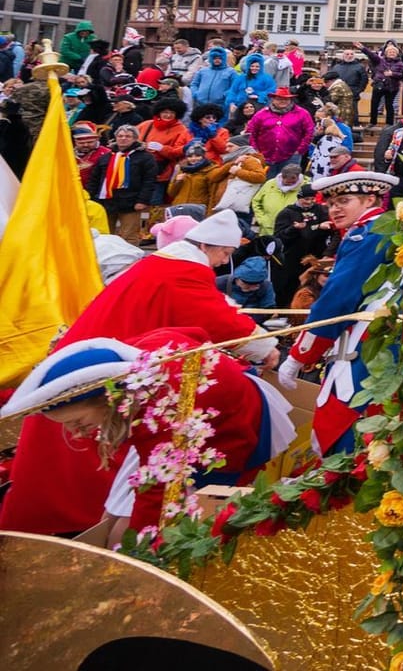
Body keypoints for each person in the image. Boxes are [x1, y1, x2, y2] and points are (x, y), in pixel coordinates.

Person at [0, 209, 279, 535]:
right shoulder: (179, 274)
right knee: (99, 484)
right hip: (112, 379)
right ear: (204, 247)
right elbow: (216, 321)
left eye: (228, 255)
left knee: (124, 495)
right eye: (224, 254)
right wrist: (266, 347)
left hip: (205, 418)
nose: (222, 263)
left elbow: (159, 483)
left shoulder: (151, 399)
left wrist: (139, 554)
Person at [0, 332, 293, 541]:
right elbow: (191, 332)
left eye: (77, 421)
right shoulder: (130, 372)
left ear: (108, 401)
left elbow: (157, 498)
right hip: (175, 425)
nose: (76, 434)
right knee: (114, 515)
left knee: (153, 526)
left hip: (226, 433)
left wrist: (137, 559)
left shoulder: (161, 412)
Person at [279, 170, 401, 454]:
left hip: (364, 346)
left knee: (344, 428)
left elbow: (337, 299)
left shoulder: (367, 235)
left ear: (370, 199)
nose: (335, 209)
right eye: (331, 203)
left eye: (344, 200)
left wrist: (299, 355)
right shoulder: (381, 228)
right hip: (378, 341)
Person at [93, 123, 162, 243]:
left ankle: (131, 260)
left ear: (135, 138)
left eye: (127, 136)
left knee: (129, 236)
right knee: (104, 235)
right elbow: (95, 179)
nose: (123, 138)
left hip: (131, 202)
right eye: (120, 136)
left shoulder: (145, 157)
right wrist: (94, 198)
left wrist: (143, 200)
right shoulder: (107, 156)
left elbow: (149, 180)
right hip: (107, 202)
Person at [271, 182, 328, 304]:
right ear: (299, 198)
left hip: (314, 256)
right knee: (289, 286)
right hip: (292, 258)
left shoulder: (320, 210)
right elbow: (278, 236)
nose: (309, 202)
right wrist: (293, 229)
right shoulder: (287, 213)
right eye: (306, 199)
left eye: (312, 199)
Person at [244, 87, 316, 169]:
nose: (283, 101)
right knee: (266, 181)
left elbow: (309, 132)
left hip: (292, 157)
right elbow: (250, 133)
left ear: (291, 99)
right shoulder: (261, 114)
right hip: (265, 157)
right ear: (273, 99)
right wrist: (255, 150)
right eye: (279, 99)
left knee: (289, 181)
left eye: (286, 99)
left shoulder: (302, 113)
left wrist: (300, 150)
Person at [166, 142, 236, 214]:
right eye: (190, 156)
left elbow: (211, 194)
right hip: (180, 208)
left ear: (203, 156)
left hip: (197, 210)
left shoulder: (210, 170)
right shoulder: (182, 170)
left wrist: (231, 164)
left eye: (197, 156)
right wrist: (178, 181)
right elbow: (171, 193)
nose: (193, 159)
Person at [367, 41, 403, 126]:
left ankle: (389, 123)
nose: (392, 53)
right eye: (390, 52)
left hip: (392, 87)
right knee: (374, 104)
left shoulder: (400, 63)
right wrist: (362, 48)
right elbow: (371, 55)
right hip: (379, 85)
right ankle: (372, 122)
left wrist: (392, 74)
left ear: (397, 54)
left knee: (389, 105)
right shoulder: (380, 60)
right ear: (386, 53)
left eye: (393, 52)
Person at [187, 47, 236, 116]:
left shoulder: (231, 72)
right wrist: (196, 94)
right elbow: (194, 84)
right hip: (201, 104)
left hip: (220, 105)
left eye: (219, 58)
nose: (217, 60)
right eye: (215, 58)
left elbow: (234, 87)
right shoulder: (203, 71)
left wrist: (225, 95)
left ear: (224, 58)